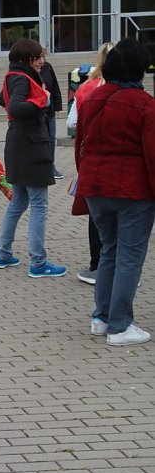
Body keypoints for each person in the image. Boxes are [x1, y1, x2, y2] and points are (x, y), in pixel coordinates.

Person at [74, 38, 155, 346]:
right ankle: (120, 326)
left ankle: (102, 317)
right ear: (140, 70)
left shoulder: (92, 97)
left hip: (95, 185)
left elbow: (81, 143)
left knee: (110, 251)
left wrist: (86, 178)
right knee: (130, 257)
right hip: (133, 190)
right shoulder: (146, 104)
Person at [0, 38, 66, 278]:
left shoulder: (12, 76)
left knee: (19, 202)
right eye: (39, 57)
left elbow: (3, 101)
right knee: (39, 205)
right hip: (31, 145)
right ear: (28, 59)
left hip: (18, 143)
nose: (42, 62)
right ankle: (38, 262)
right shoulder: (23, 79)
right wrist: (42, 100)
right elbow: (14, 107)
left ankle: (3, 254)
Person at [68, 42, 114, 285]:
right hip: (118, 164)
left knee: (96, 217)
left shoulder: (86, 88)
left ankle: (97, 264)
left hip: (90, 160)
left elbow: (74, 125)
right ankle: (115, 268)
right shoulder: (123, 91)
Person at [39, 47, 64, 180]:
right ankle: (43, 167)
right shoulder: (31, 71)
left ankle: (51, 166)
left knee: (51, 138)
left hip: (50, 110)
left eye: (44, 57)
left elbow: (55, 86)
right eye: (40, 57)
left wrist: (58, 105)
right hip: (39, 112)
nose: (43, 61)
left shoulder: (48, 67)